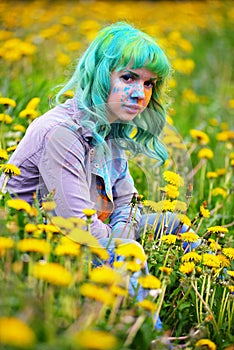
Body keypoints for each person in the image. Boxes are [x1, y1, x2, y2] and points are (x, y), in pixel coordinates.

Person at [0, 22, 196, 336]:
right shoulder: (60, 133)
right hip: (36, 249)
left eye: (149, 84)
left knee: (175, 225)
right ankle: (153, 338)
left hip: (93, 233)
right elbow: (77, 226)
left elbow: (127, 204)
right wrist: (125, 244)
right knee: (129, 255)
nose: (139, 93)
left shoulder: (111, 129)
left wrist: (123, 237)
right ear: (101, 76)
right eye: (129, 77)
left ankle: (211, 298)